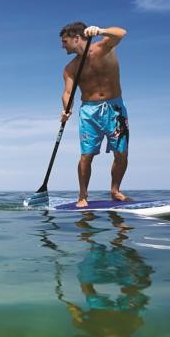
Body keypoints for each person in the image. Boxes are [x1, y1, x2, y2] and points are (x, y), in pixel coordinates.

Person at [60, 21, 129, 208]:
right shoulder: (70, 68)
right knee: (86, 155)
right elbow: (67, 92)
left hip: (115, 108)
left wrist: (100, 31)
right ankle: (82, 195)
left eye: (65, 41)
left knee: (121, 153)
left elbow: (121, 33)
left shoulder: (103, 47)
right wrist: (67, 108)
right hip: (89, 111)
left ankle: (115, 190)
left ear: (77, 38)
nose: (62, 46)